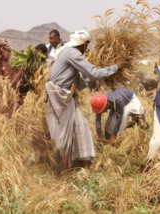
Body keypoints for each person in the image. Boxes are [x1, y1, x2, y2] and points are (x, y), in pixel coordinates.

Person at [45, 30, 129, 171]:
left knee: (80, 126)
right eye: (86, 45)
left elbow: (79, 83)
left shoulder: (68, 53)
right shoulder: (72, 53)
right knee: (66, 133)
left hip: (65, 96)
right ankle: (64, 168)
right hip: (60, 97)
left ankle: (80, 163)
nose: (87, 48)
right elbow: (94, 73)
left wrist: (91, 81)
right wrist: (116, 67)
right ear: (82, 44)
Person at [0, 38, 19, 115]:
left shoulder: (14, 57)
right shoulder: (0, 59)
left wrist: (12, 83)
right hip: (5, 87)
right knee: (1, 107)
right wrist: (1, 80)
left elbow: (20, 72)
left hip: (15, 87)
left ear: (1, 48)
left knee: (15, 108)